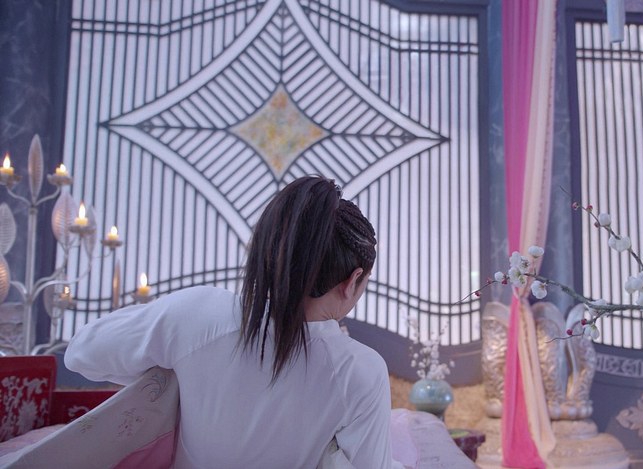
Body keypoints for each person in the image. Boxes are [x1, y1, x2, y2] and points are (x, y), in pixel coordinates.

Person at [65, 176, 400, 468]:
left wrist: (174, 378)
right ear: (352, 280)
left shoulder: (197, 313)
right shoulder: (360, 371)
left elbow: (81, 353)